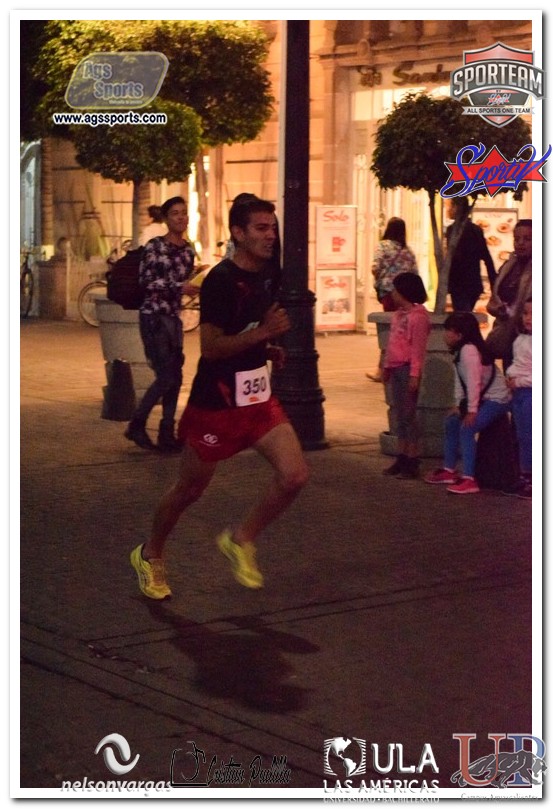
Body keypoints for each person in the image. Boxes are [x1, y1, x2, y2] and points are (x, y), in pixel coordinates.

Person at [130, 196, 309, 599]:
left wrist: (265, 348)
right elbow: (211, 348)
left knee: (295, 475)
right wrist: (264, 333)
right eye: (261, 228)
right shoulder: (220, 281)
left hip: (256, 398)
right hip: (215, 403)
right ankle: (150, 553)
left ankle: (241, 538)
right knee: (189, 490)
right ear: (238, 233)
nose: (270, 235)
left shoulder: (270, 274)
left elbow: (248, 329)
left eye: (273, 228)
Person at [124, 197, 197, 453]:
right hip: (154, 316)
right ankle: (137, 423)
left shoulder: (188, 251)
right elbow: (146, 281)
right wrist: (179, 287)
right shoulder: (155, 246)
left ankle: (167, 431)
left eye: (184, 213)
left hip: (174, 318)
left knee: (176, 377)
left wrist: (197, 282)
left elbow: (185, 281)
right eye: (175, 213)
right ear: (166, 218)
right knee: (166, 376)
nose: (181, 217)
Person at [424, 312, 511, 494]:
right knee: (451, 422)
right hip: (483, 398)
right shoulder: (461, 349)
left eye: (449, 330)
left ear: (459, 335)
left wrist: (471, 411)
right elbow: (460, 381)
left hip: (497, 399)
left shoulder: (468, 351)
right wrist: (458, 405)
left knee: (467, 428)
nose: (445, 334)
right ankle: (449, 470)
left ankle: (469, 478)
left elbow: (473, 382)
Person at [380, 272, 431, 480]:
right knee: (400, 416)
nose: (393, 293)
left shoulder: (418, 317)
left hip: (407, 368)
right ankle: (401, 456)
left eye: (396, 290)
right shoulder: (398, 315)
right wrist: (386, 366)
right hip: (395, 368)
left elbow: (417, 349)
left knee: (408, 415)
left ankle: (412, 458)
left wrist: (414, 375)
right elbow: (391, 343)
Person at [367, 217, 418, 382]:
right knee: (403, 332)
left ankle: (383, 370)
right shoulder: (408, 251)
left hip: (389, 293)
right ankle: (399, 366)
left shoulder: (383, 246)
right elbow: (415, 274)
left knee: (389, 330)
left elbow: (375, 267)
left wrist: (381, 279)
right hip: (407, 295)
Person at [486, 219, 532, 367]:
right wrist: (499, 309)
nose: (520, 243)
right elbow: (495, 297)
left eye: (527, 239)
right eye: (517, 239)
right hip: (508, 332)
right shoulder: (509, 265)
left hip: (531, 338)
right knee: (511, 374)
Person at [502, 298, 532, 499]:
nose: (528, 318)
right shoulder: (521, 339)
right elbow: (516, 363)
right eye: (525, 313)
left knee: (532, 436)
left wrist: (518, 381)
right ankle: (525, 475)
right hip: (519, 393)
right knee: (522, 436)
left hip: (530, 393)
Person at [446, 197, 496, 312]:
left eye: (450, 206)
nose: (448, 210)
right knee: (466, 313)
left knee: (462, 314)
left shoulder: (452, 231)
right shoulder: (476, 230)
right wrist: (493, 282)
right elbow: (487, 258)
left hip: (458, 284)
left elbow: (452, 260)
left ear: (457, 208)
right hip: (473, 283)